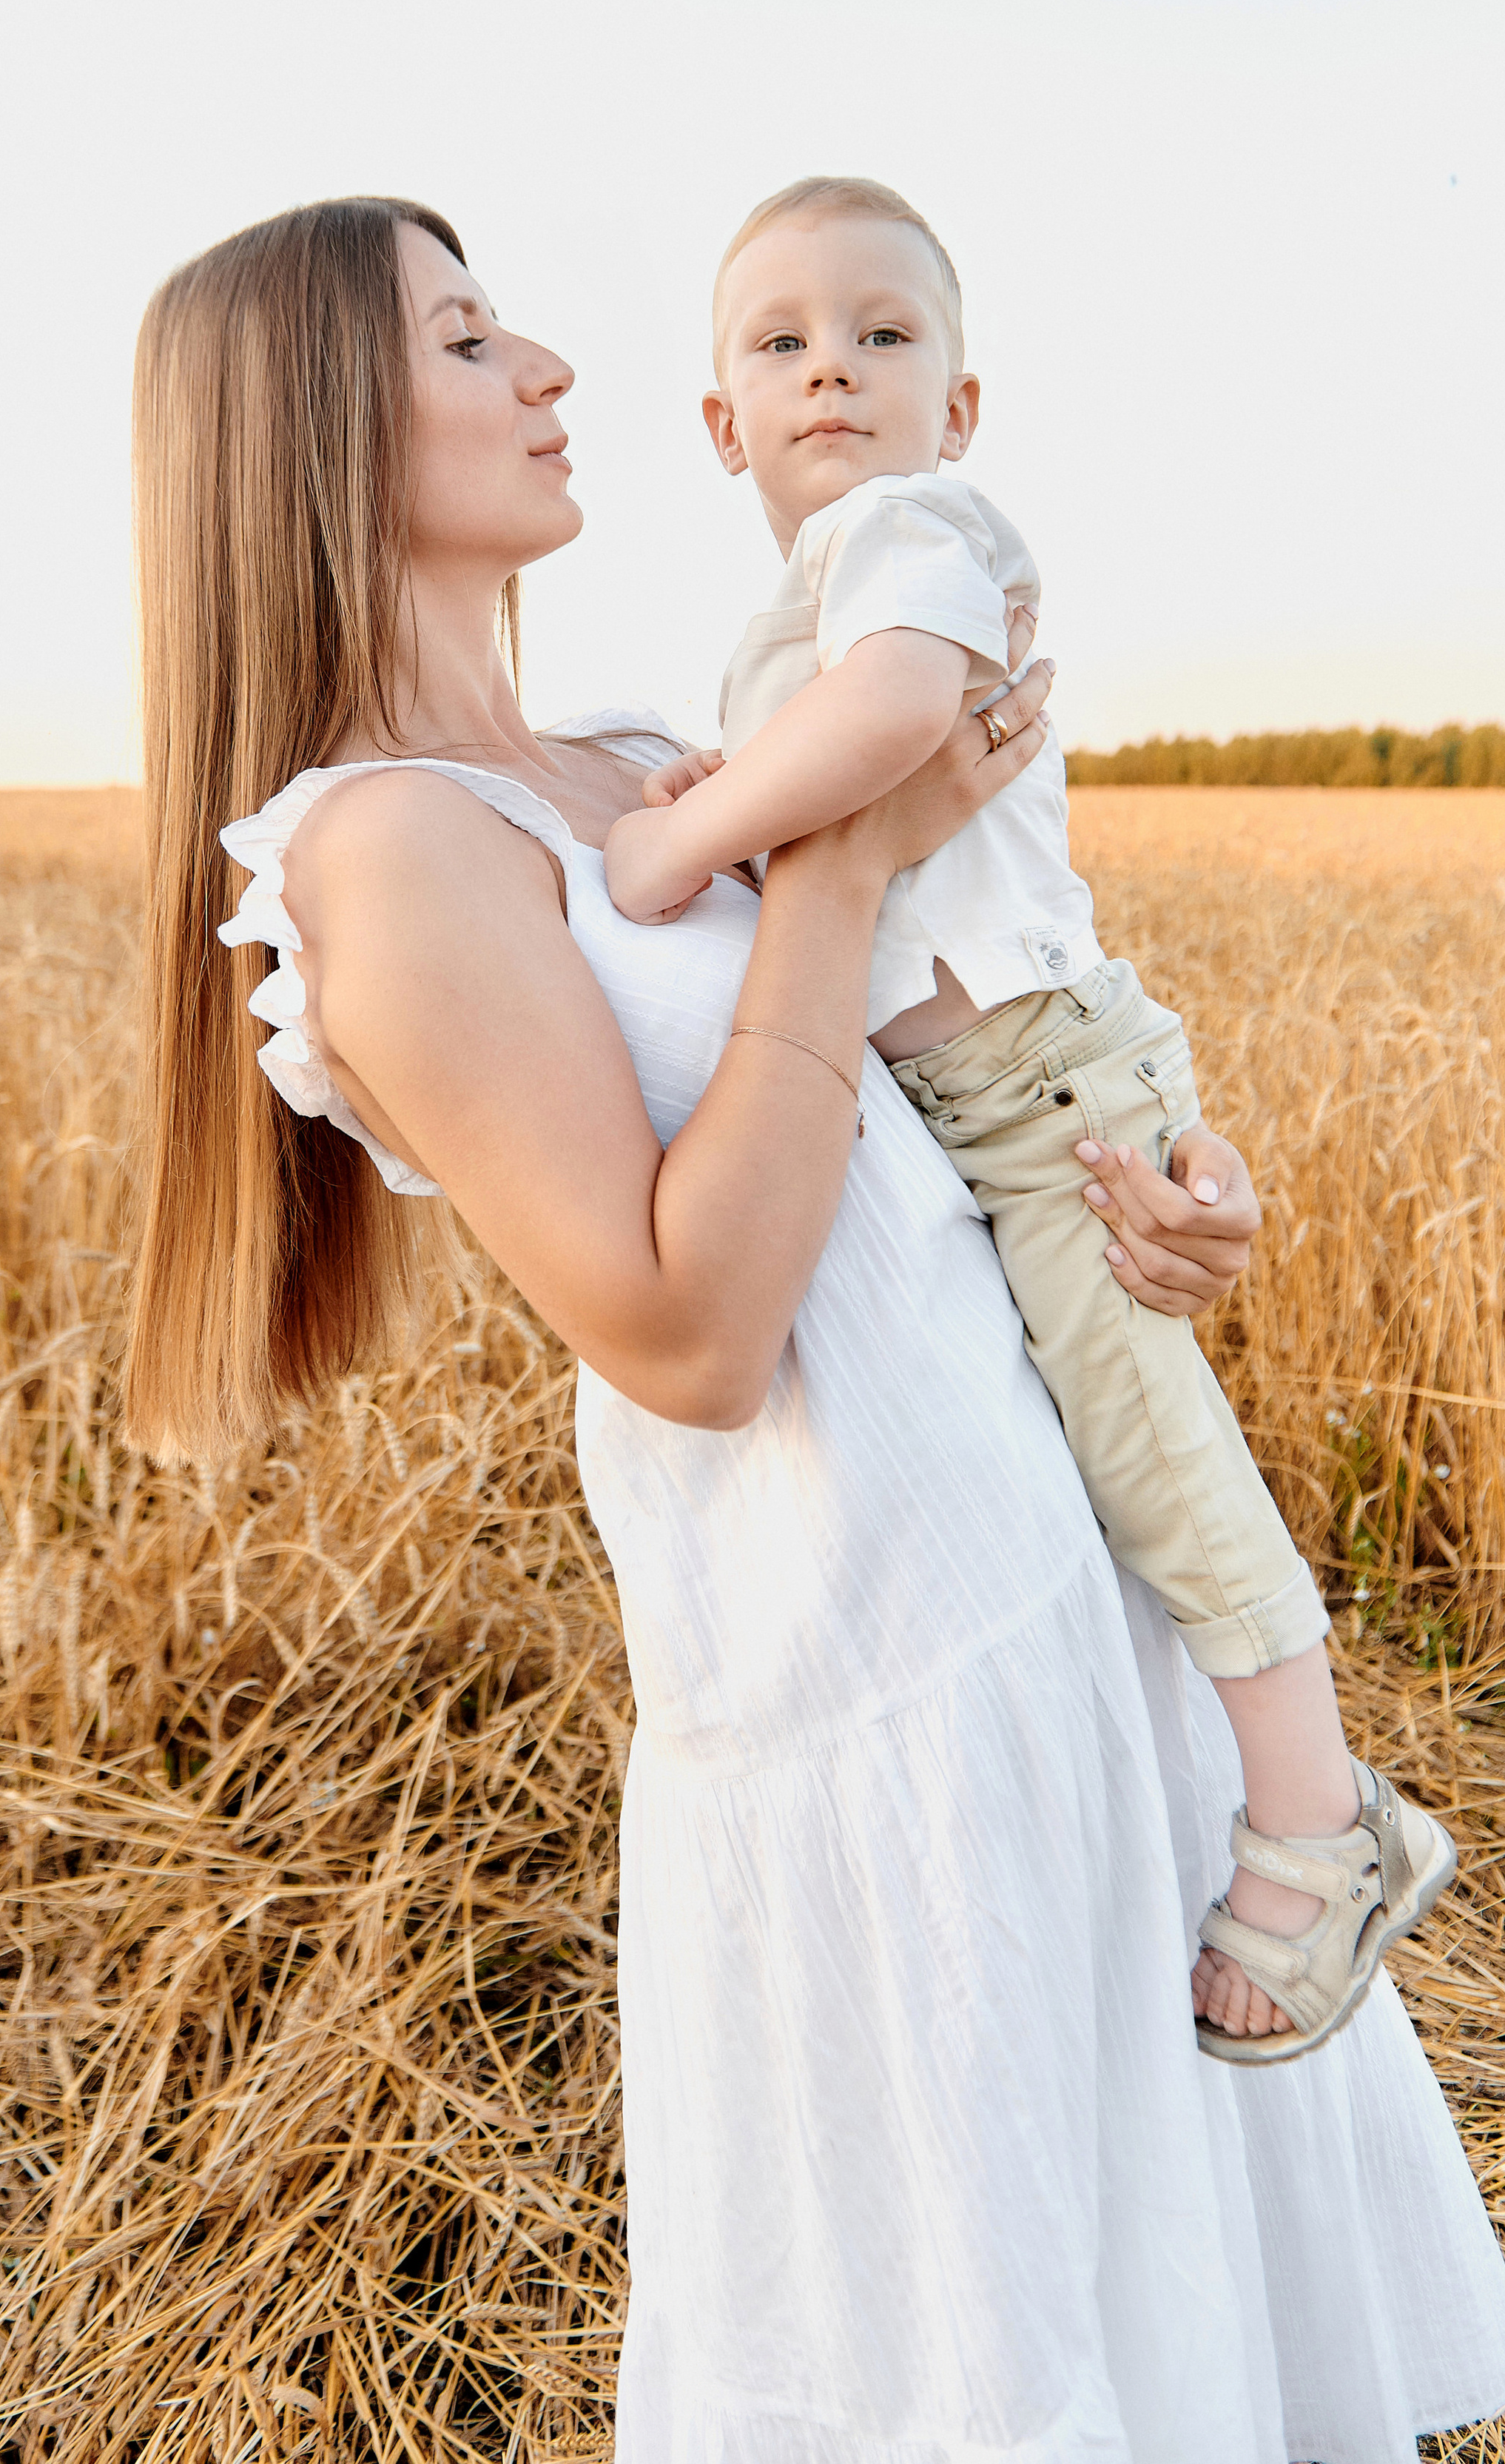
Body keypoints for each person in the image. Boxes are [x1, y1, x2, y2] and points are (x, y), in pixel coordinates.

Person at [125, 194, 1505, 2460]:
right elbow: (687, 1327)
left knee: (1175, 2323)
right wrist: (847, 867)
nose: (553, 370)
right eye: (472, 338)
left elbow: (889, 1124)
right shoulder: (386, 851)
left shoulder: (629, 752)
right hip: (872, 1679)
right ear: (307, 426)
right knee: (977, 2357)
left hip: (1057, 1593)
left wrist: (1146, 1210)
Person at [602, 174, 1455, 2065]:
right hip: (972, 1104)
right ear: (719, 421)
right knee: (1093, 1454)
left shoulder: (914, 527)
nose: (834, 366)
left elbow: (903, 711)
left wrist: (688, 828)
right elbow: (838, 805)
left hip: (1037, 1087)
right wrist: (734, 776)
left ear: (958, 405)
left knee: (1151, 1446)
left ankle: (1325, 1823)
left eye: (884, 335)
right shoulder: (794, 602)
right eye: (783, 340)